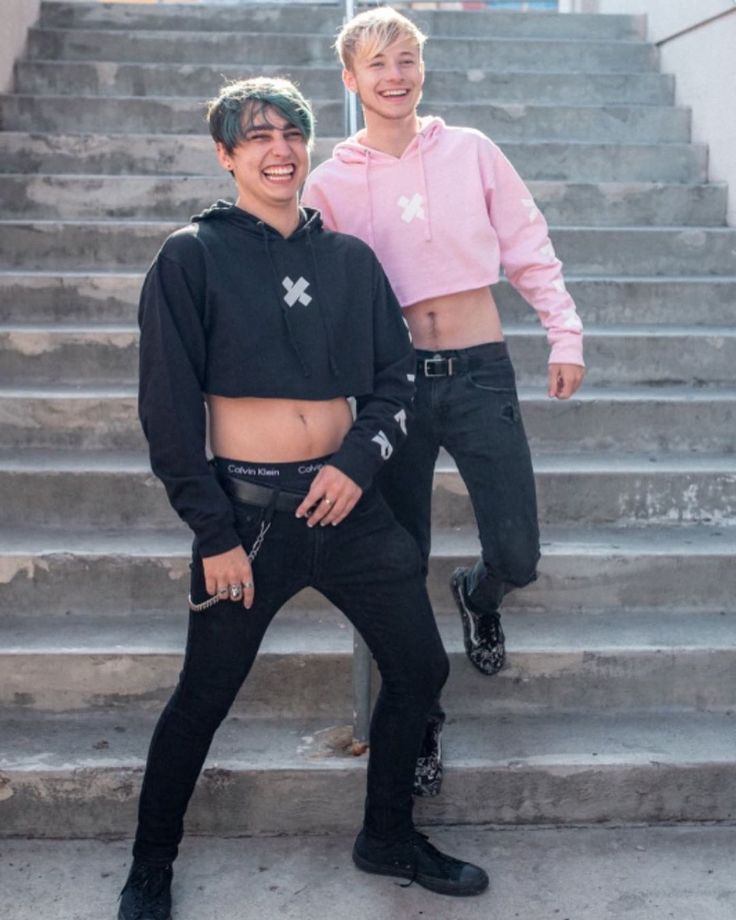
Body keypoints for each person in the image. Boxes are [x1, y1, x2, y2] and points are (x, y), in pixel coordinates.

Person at [117, 77, 490, 918]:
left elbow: (396, 382)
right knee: (204, 695)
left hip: (348, 507)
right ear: (225, 154)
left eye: (291, 132)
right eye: (256, 136)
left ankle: (386, 835)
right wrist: (212, 532)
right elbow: (168, 415)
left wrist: (358, 464)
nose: (278, 149)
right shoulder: (190, 256)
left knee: (421, 667)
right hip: (247, 522)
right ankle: (150, 863)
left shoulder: (349, 259)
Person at [302, 7, 585, 797]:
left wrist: (564, 334)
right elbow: (321, 298)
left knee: (520, 551)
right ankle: (419, 725)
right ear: (351, 79)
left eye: (408, 59)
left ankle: (479, 592)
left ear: (421, 68)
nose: (396, 76)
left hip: (481, 371)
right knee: (398, 567)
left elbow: (528, 243)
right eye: (378, 64)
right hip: (392, 386)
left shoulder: (471, 151)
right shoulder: (330, 181)